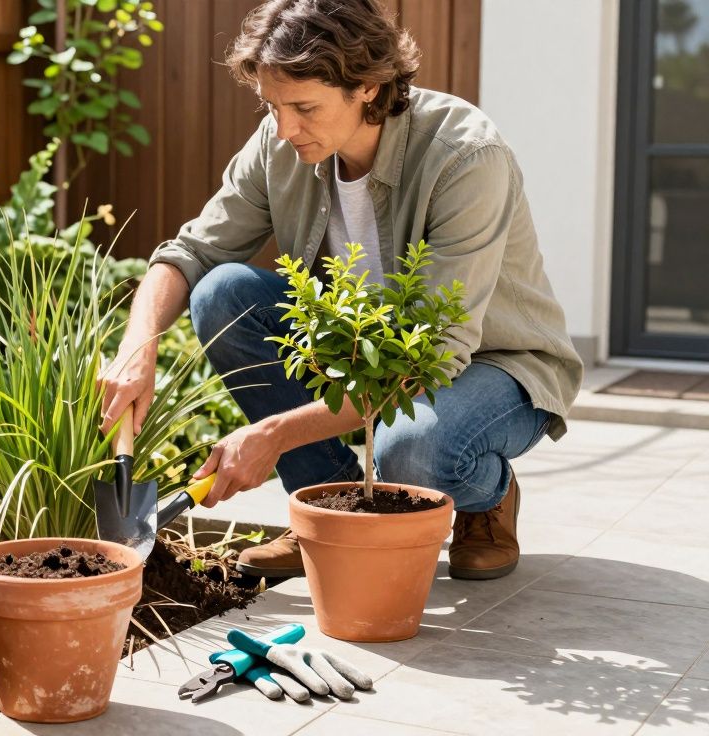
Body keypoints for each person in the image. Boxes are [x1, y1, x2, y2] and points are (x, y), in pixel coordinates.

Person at [97, 0, 583, 582]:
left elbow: (432, 353)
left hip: (494, 364)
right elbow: (193, 252)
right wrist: (138, 346)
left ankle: (486, 496)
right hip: (370, 349)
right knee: (222, 293)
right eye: (273, 106)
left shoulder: (466, 157)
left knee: (414, 449)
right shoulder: (282, 145)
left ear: (371, 88)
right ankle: (327, 516)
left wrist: (273, 435)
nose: (284, 129)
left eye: (304, 107)